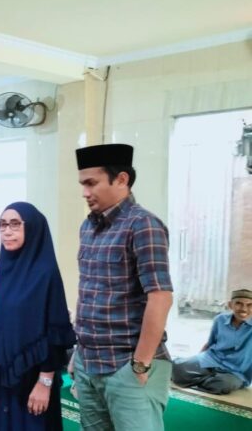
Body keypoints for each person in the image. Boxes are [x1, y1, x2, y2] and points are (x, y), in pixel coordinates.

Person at [70, 143, 174, 431]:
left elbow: (160, 297)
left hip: (127, 365)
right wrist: (79, 354)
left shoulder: (143, 225)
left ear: (121, 179)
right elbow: (90, 295)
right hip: (89, 363)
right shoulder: (88, 228)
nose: (85, 192)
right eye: (82, 184)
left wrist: (140, 364)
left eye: (91, 183)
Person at [0, 202, 75, 430]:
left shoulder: (45, 274)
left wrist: (45, 382)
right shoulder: (3, 272)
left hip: (34, 379)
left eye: (15, 224)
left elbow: (55, 331)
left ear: (32, 228)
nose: (7, 231)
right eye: (2, 225)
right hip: (3, 378)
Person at [172, 288, 252, 394]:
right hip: (212, 359)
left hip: (236, 371)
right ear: (230, 305)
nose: (244, 309)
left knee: (223, 384)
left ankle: (204, 378)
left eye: (249, 305)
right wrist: (196, 359)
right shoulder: (220, 319)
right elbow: (210, 343)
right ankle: (208, 378)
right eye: (239, 303)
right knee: (177, 367)